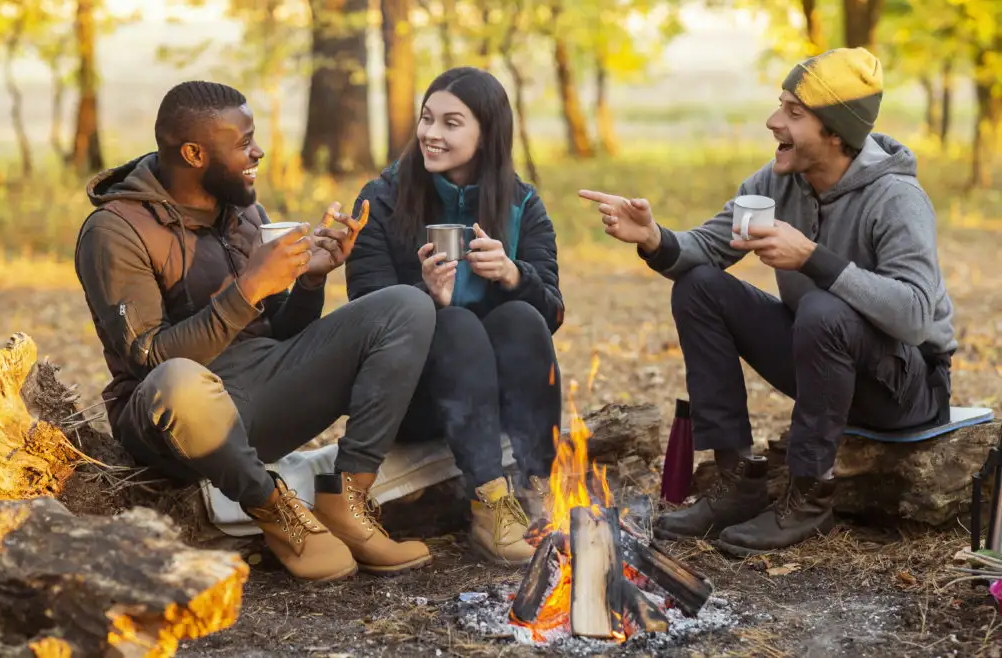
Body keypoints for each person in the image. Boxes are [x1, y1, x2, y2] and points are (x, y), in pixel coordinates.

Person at [580, 47, 956, 556]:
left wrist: (812, 258)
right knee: (699, 286)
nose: (773, 121)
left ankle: (808, 497)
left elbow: (914, 317)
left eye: (794, 113)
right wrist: (653, 238)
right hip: (823, 359)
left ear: (835, 131)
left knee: (823, 308)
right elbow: (705, 249)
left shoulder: (895, 198)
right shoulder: (776, 183)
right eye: (781, 105)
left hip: (904, 389)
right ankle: (737, 481)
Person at [75, 81, 438, 581]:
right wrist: (246, 289)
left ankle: (345, 499)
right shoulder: (115, 231)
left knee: (405, 305)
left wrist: (309, 281)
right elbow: (148, 358)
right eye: (244, 142)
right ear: (195, 153)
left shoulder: (243, 210)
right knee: (178, 381)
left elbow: (281, 332)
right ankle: (273, 508)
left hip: (260, 393)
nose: (258, 151)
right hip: (181, 423)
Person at [346, 67, 564, 565]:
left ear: (487, 134)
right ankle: (490, 502)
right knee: (456, 323)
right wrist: (423, 301)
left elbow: (551, 314)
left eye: (451, 123)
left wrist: (514, 275)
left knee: (521, 317)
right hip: (413, 398)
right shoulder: (381, 200)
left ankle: (536, 486)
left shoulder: (521, 204)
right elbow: (362, 317)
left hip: (498, 400)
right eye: (427, 120)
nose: (431, 134)